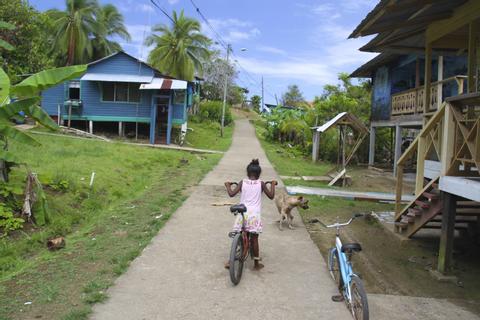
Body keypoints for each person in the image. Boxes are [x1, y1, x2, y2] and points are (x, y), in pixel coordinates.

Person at [224, 159, 276, 270]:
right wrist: (272, 184)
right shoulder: (261, 183)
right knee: (254, 239)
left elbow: (231, 194)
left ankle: (230, 260)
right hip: (254, 216)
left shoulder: (243, 182)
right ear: (259, 174)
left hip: (242, 212)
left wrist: (228, 185)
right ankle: (256, 265)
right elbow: (271, 196)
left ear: (248, 173)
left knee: (241, 234)